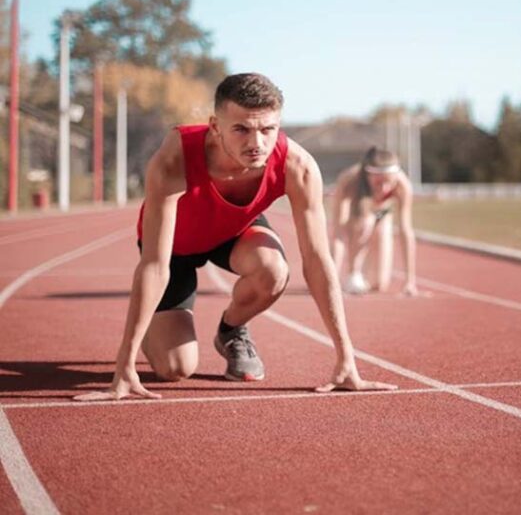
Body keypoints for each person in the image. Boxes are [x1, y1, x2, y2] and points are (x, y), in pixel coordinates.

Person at [76, 73, 396, 401]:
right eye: (241, 129)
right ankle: (154, 332)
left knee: (273, 270)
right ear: (215, 126)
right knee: (174, 368)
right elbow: (155, 265)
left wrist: (346, 359)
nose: (256, 143)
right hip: (174, 247)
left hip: (233, 234)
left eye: (267, 129)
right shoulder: (176, 157)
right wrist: (124, 364)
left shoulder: (297, 167)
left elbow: (317, 260)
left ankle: (231, 329)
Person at [330, 147, 418, 296]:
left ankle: (366, 275)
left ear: (396, 175)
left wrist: (410, 281)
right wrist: (331, 280)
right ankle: (353, 273)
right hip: (358, 215)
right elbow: (338, 232)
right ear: (368, 175)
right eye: (378, 182)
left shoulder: (403, 186)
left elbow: (406, 231)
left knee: (379, 285)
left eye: (389, 182)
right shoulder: (349, 181)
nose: (384, 188)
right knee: (365, 224)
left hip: (383, 214)